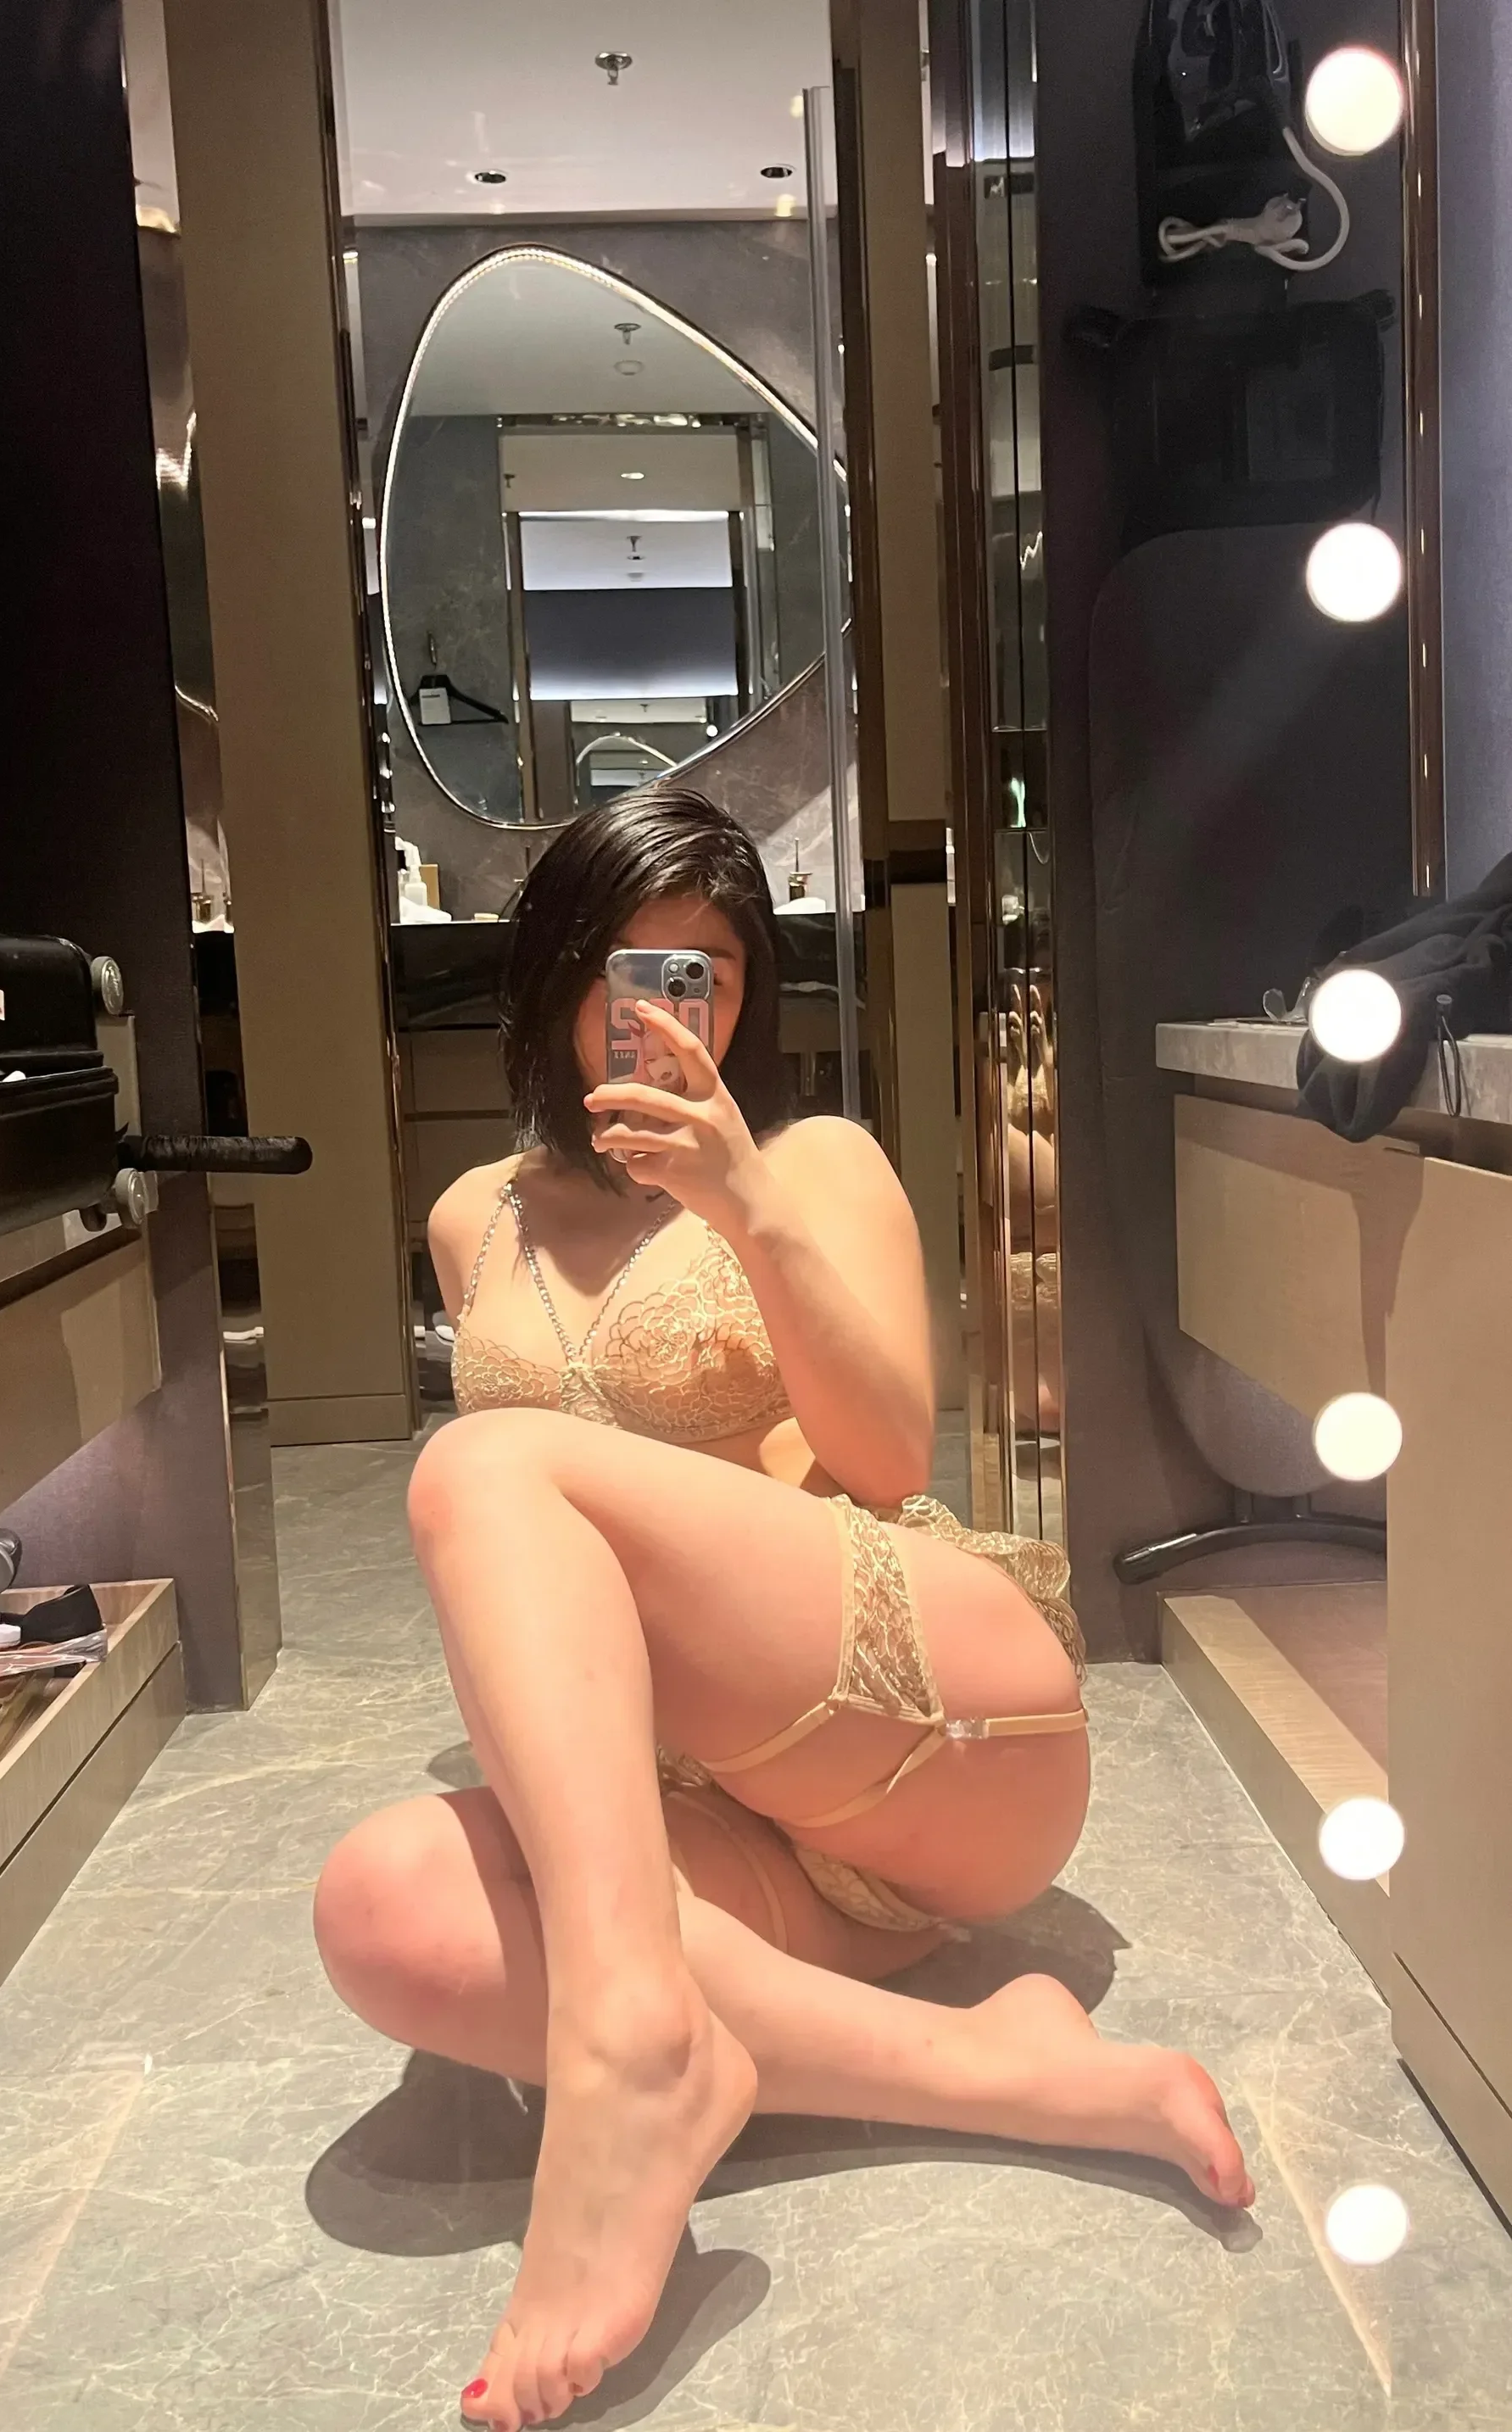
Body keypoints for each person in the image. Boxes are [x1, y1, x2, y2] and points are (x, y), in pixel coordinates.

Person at [313, 788, 1253, 2432]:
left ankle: (628, 2051)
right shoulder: (477, 1217)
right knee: (382, 1904)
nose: (670, 1007)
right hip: (735, 1822)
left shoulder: (816, 1161)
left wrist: (744, 1206)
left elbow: (885, 1455)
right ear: (557, 972)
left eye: (712, 972)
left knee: (480, 1468)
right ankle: (995, 2070)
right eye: (633, 964)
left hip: (929, 1722)